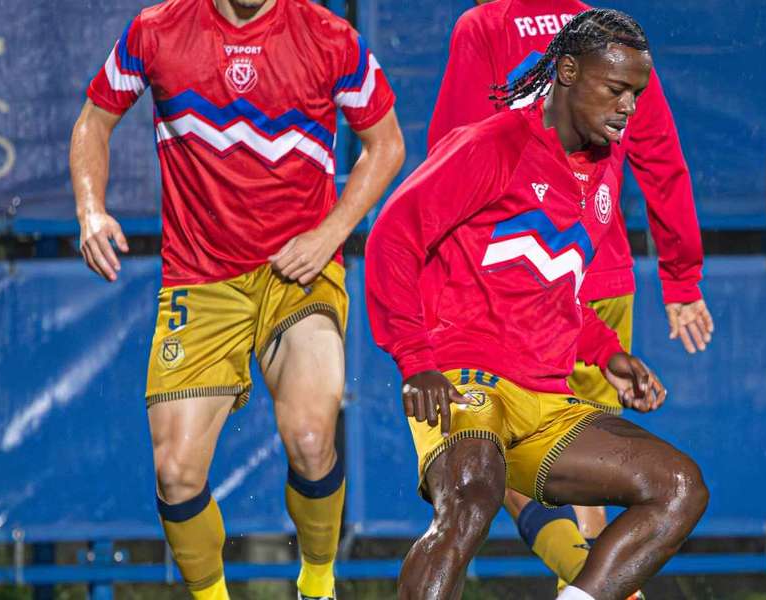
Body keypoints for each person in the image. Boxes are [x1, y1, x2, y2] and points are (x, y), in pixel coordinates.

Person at [366, 9, 709, 600]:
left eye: (636, 94)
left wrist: (607, 354)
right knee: (473, 490)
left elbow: (549, 288)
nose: (629, 108)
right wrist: (414, 358)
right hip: (462, 373)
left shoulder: (601, 174)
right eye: (615, 90)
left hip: (544, 396)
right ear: (568, 72)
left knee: (679, 486)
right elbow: (391, 238)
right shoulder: (492, 144)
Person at [69, 0, 404, 598]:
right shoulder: (157, 31)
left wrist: (329, 234)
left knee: (309, 437)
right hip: (198, 279)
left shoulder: (331, 38)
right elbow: (94, 118)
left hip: (298, 273)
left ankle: (318, 582)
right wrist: (91, 209)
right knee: (175, 476)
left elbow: (387, 145)